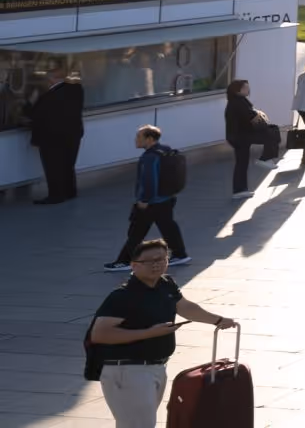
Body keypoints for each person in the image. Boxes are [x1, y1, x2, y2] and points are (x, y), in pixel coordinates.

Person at [83, 238, 236, 428]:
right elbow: (100, 334)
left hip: (155, 368)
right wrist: (149, 333)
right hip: (128, 370)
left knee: (139, 424)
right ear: (134, 265)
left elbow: (185, 307)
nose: (156, 264)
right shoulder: (123, 296)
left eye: (161, 259)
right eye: (149, 261)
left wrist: (218, 320)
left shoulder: (165, 284)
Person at [110, 125, 190, 268]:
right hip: (166, 198)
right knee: (168, 227)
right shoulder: (165, 150)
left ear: (150, 139)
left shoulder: (149, 157)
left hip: (152, 202)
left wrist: (144, 200)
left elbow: (149, 180)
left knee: (136, 232)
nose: (136, 140)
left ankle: (124, 261)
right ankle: (180, 254)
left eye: (139, 137)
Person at [30, 66, 85, 203]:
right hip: (73, 134)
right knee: (68, 165)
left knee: (53, 167)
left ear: (53, 79)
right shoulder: (77, 90)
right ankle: (70, 191)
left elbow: (35, 113)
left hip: (51, 138)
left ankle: (56, 195)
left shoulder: (49, 96)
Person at [222, 78, 260, 195]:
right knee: (242, 163)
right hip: (240, 137)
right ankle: (239, 189)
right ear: (237, 90)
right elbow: (251, 117)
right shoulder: (239, 102)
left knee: (242, 162)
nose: (248, 90)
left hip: (236, 136)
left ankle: (240, 189)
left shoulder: (235, 101)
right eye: (245, 88)